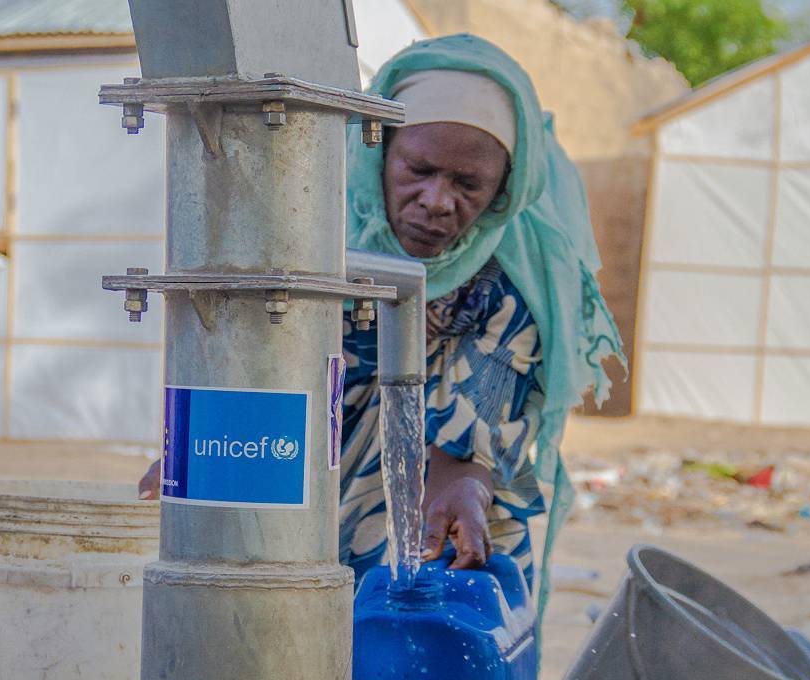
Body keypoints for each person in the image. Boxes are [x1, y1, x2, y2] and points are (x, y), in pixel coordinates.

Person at [140, 34, 623, 616]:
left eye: (468, 184)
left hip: (448, 518)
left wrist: (467, 480)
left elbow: (476, 433)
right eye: (418, 169)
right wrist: (209, 445)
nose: (437, 200)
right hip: (302, 489)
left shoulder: (519, 282)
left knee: (425, 639)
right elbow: (261, 361)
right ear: (380, 151)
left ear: (505, 188)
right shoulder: (311, 234)